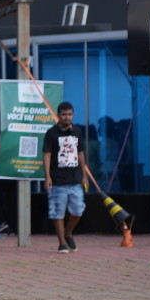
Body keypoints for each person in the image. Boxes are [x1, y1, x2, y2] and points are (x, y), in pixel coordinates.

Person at [43, 101, 88, 254]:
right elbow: (47, 155)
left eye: (69, 114)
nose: (67, 117)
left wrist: (84, 176)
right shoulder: (51, 133)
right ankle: (62, 243)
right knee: (58, 212)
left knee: (78, 210)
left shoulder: (77, 131)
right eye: (64, 114)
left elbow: (80, 154)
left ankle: (68, 232)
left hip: (75, 179)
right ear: (58, 115)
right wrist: (47, 176)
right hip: (58, 180)